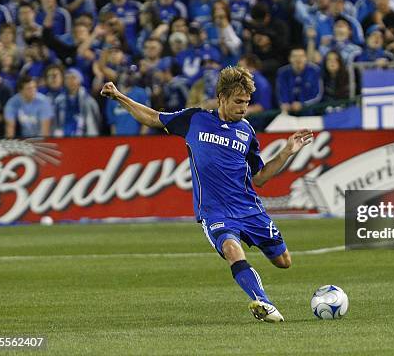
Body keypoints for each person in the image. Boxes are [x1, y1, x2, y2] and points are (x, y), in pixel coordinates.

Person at [100, 66, 314, 323]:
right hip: (215, 212)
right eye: (238, 101)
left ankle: (263, 295)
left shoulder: (246, 132)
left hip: (249, 209)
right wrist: (119, 96)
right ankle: (264, 304)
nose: (244, 107)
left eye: (247, 102)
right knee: (232, 250)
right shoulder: (195, 119)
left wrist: (288, 151)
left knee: (283, 261)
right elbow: (153, 117)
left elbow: (260, 178)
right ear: (222, 98)